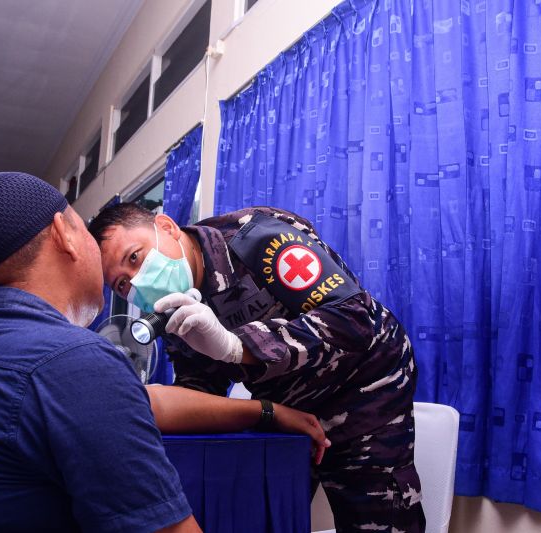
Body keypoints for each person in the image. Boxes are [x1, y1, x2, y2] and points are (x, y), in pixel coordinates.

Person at [0, 172, 328, 533]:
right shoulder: (68, 360)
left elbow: (144, 402)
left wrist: (266, 411)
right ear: (65, 233)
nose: (125, 285)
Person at [90, 203, 426, 532]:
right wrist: (150, 404)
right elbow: (201, 387)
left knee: (375, 518)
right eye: (122, 285)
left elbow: (353, 319)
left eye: (134, 258)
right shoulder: (172, 309)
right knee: (262, 513)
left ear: (166, 227)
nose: (136, 282)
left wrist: (238, 346)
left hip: (364, 387)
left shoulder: (256, 237)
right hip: (290, 409)